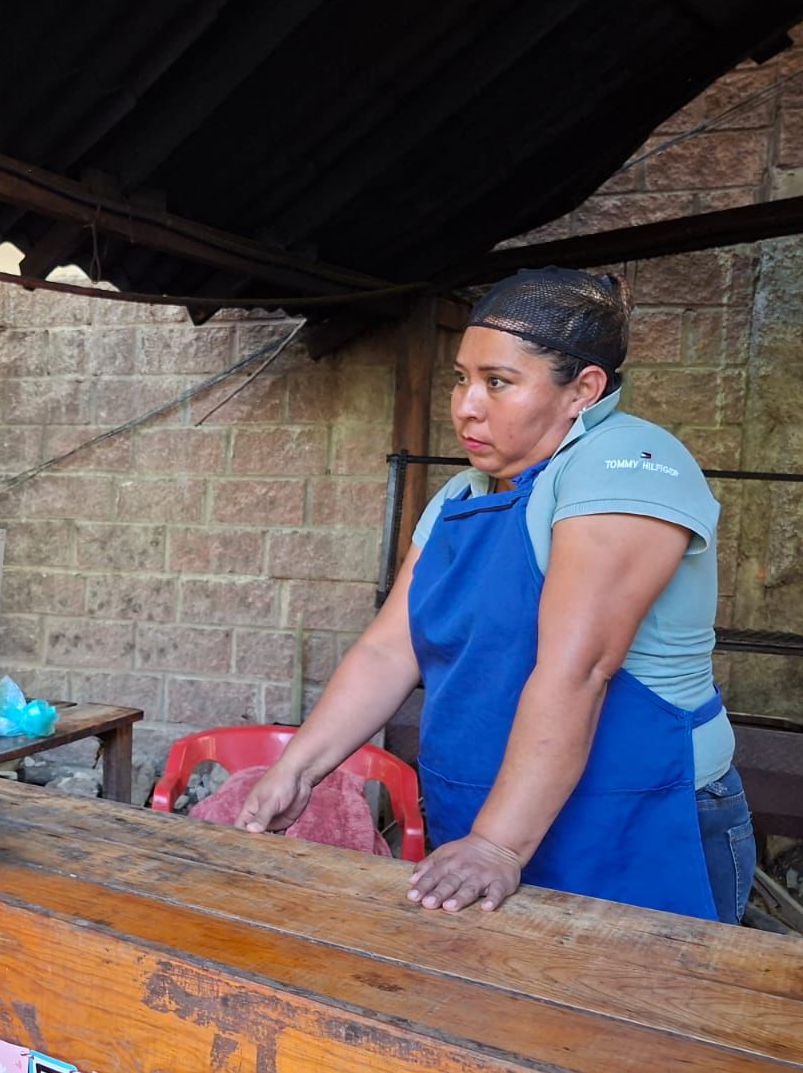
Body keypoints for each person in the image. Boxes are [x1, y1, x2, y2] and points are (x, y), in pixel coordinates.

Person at [235, 266, 755, 924]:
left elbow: (578, 669)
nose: (465, 406)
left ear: (584, 389)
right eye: (462, 378)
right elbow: (387, 652)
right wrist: (299, 769)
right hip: (488, 816)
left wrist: (497, 844)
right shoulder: (461, 495)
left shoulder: (630, 465)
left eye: (498, 382)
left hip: (641, 813)